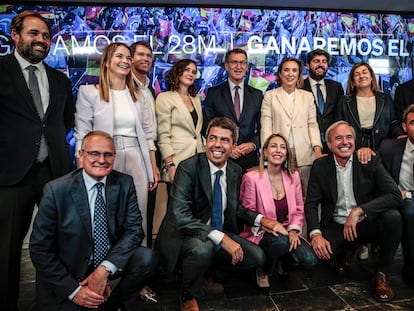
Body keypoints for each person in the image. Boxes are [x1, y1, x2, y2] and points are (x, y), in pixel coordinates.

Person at [156, 117, 282, 311]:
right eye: (213, 138)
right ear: (206, 141)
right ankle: (188, 293)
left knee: (257, 257)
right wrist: (221, 238)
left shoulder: (235, 170)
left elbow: (236, 208)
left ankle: (212, 272)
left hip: (217, 231)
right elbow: (179, 215)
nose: (217, 144)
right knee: (202, 249)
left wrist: (263, 220)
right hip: (185, 234)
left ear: (233, 146)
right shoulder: (188, 167)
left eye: (225, 140)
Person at [29, 131, 157, 310]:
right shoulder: (56, 190)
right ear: (81, 154)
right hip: (70, 272)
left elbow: (134, 230)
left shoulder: (124, 183)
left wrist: (104, 269)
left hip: (105, 263)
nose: (102, 160)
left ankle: (113, 305)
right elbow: (39, 249)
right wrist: (74, 291)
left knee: (146, 257)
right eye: (94, 153)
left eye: (108, 154)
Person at [0, 10, 74, 309]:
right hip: (9, 174)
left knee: (56, 245)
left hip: (53, 173)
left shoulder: (59, 79)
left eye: (45, 35)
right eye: (34, 33)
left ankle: (51, 304)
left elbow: (64, 122)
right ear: (15, 35)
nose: (41, 40)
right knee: (6, 250)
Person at [305, 120, 402, 303]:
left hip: (365, 223)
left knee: (393, 218)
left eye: (349, 137)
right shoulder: (320, 166)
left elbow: (395, 195)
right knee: (322, 259)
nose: (345, 142)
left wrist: (360, 211)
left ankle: (382, 274)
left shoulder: (368, 159)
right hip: (337, 224)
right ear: (330, 144)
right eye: (338, 138)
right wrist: (315, 234)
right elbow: (311, 204)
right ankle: (348, 248)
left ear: (355, 141)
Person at [74, 42, 157, 248]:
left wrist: (152, 167)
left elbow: (148, 135)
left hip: (137, 156)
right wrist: (80, 171)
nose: (125, 61)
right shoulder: (89, 92)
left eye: (128, 57)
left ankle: (139, 264)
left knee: (138, 212)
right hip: (103, 159)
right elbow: (82, 134)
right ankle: (106, 266)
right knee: (106, 211)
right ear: (107, 62)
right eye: (119, 56)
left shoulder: (140, 95)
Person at [239, 133, 318, 287]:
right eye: (273, 146)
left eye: (283, 147)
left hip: (288, 231)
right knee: (280, 242)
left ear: (287, 153)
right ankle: (264, 270)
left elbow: (299, 209)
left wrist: (294, 231)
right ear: (265, 152)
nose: (278, 150)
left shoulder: (293, 176)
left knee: (310, 260)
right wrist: (269, 226)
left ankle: (280, 261)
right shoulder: (252, 178)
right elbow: (246, 213)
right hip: (262, 233)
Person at [261, 57, 323, 196]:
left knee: (306, 194)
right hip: (279, 153)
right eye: (286, 70)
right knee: (280, 194)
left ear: (299, 74)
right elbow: (266, 126)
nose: (290, 74)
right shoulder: (270, 96)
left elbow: (312, 124)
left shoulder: (307, 96)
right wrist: (267, 151)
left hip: (305, 153)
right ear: (280, 74)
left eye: (294, 70)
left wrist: (317, 149)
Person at [203, 48, 262, 172]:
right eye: (234, 62)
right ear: (226, 66)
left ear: (246, 67)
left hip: (249, 160)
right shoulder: (213, 93)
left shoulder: (257, 95)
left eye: (242, 63)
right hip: (221, 158)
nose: (238, 67)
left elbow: (263, 127)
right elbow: (207, 126)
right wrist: (227, 147)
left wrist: (253, 145)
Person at [336, 62, 402, 164]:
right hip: (353, 149)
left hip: (381, 148)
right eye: (357, 75)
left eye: (364, 72)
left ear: (372, 77)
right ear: (353, 81)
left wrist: (399, 135)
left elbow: (393, 123)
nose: (361, 76)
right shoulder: (344, 101)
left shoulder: (386, 99)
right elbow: (339, 126)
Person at [379, 104, 414, 287]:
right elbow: (378, 177)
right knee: (408, 211)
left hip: (409, 198)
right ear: (404, 127)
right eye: (413, 122)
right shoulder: (389, 147)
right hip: (396, 199)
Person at [156, 58, 204, 187]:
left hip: (197, 159)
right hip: (177, 160)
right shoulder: (164, 98)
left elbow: (196, 133)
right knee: (177, 205)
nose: (190, 74)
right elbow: (163, 135)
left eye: (194, 72)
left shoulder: (196, 99)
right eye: (187, 70)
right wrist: (170, 164)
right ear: (178, 72)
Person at [130, 40, 160, 250]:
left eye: (149, 56)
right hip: (134, 155)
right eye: (141, 55)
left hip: (150, 153)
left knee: (146, 211)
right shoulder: (126, 86)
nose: (146, 59)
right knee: (134, 212)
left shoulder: (148, 88)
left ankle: (144, 260)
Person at [302, 49, 344, 153]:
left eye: (324, 62)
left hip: (333, 144)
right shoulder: (300, 87)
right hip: (306, 143)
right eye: (316, 61)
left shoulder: (336, 87)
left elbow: (341, 114)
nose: (320, 64)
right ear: (307, 65)